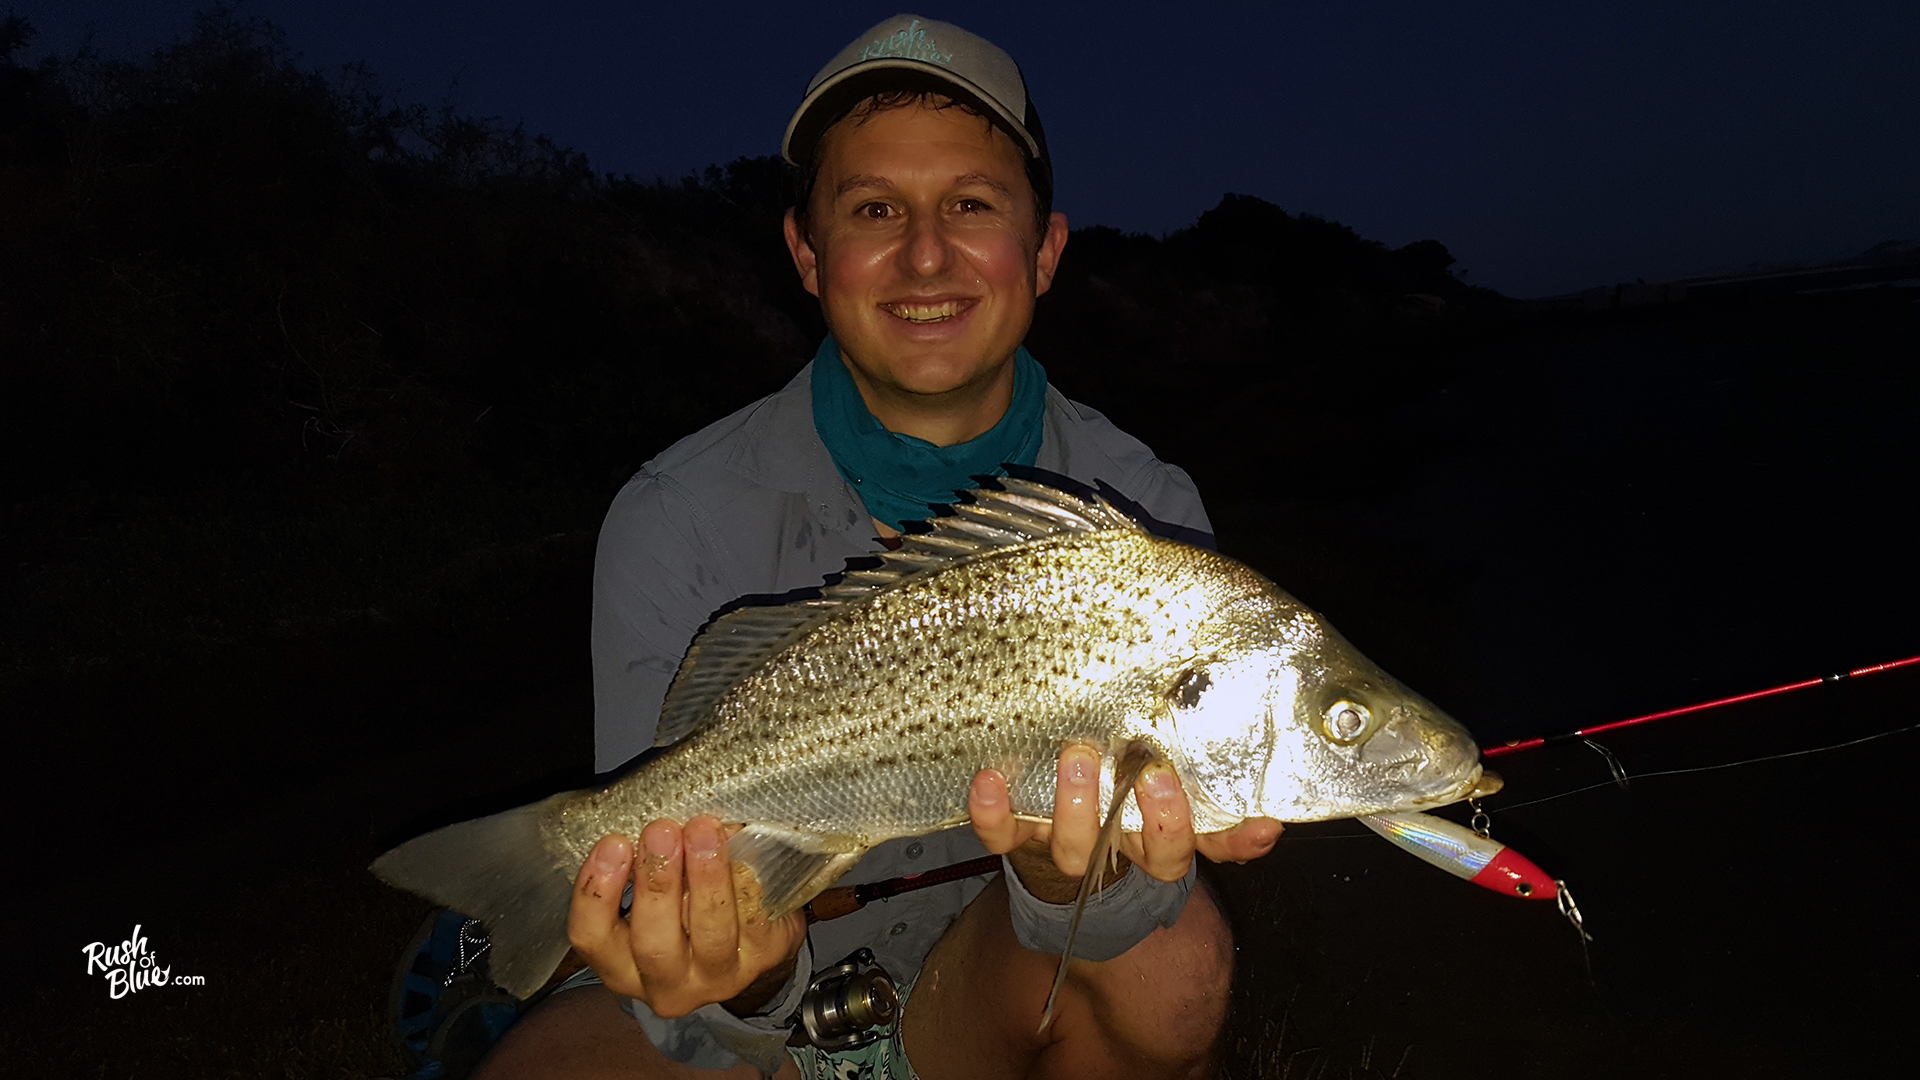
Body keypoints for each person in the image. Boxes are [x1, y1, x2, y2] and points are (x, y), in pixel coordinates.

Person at [472, 15, 1281, 1080]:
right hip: (723, 1021)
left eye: (972, 205)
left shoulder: (1142, 509)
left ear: (1045, 250)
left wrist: (1056, 878)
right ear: (807, 254)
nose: (928, 253)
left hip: (977, 976)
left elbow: (1144, 896)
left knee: (1173, 968)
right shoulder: (674, 514)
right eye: (874, 209)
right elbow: (664, 956)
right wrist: (748, 974)